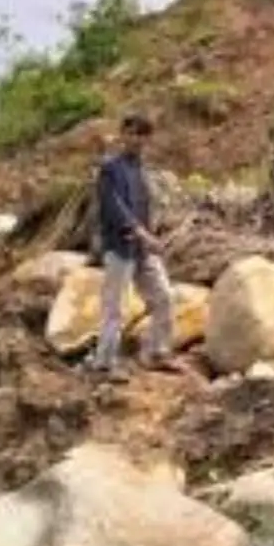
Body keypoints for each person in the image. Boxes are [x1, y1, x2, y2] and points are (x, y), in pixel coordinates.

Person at [92, 113, 175, 374]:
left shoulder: (141, 169)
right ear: (123, 135)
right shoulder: (110, 169)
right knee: (114, 308)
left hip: (142, 251)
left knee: (164, 296)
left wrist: (152, 233)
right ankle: (104, 363)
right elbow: (114, 208)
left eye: (142, 135)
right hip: (120, 248)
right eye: (132, 133)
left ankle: (157, 352)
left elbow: (145, 206)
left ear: (148, 139)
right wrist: (142, 233)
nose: (136, 139)